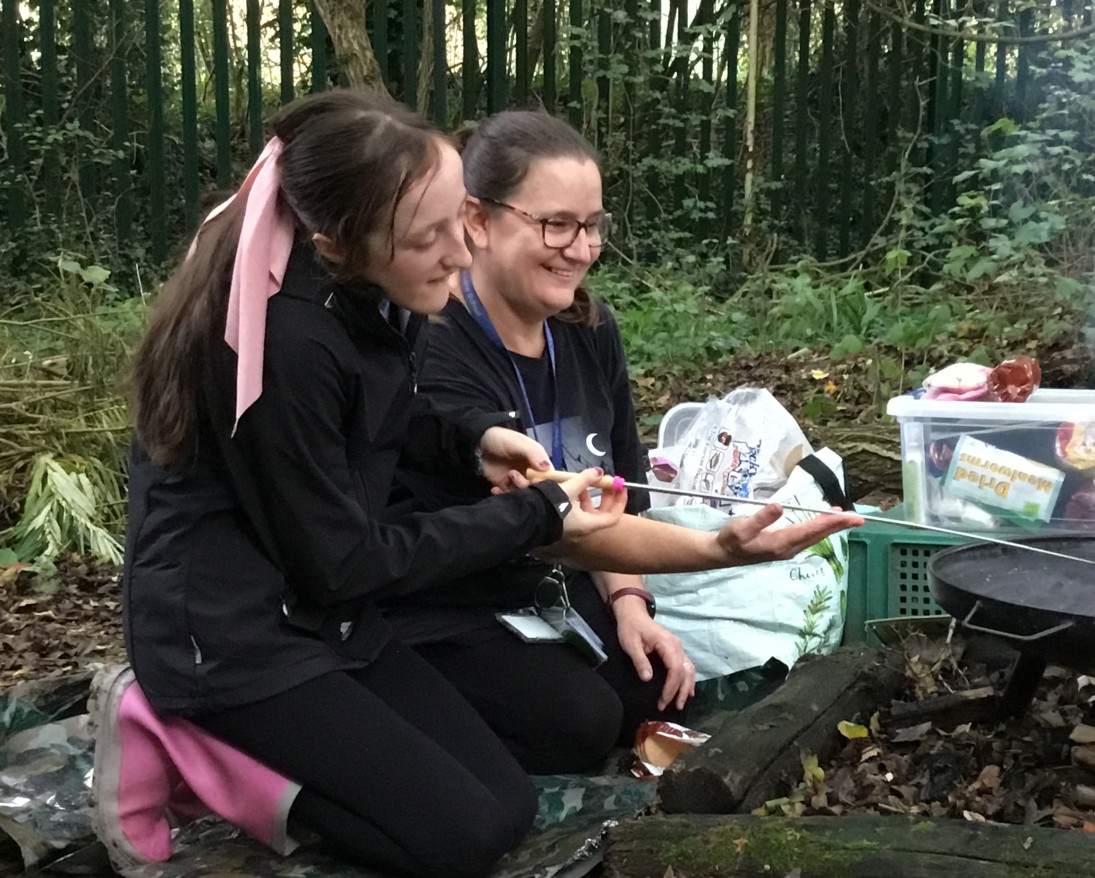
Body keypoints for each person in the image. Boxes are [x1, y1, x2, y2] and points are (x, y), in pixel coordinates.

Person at [99, 88, 859, 878]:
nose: (457, 257)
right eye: (433, 237)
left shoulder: (370, 294)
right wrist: (546, 512)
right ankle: (190, 748)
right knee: (456, 840)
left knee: (507, 806)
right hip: (239, 637)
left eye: (453, 222)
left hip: (332, 612)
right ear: (339, 240)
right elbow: (344, 560)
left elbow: (388, 420)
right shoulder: (289, 342)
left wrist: (473, 443)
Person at [385, 110, 700, 772]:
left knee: (661, 699)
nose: (580, 249)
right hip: (453, 596)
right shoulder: (436, 341)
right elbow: (537, 524)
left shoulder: (590, 328)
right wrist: (722, 550)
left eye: (592, 227)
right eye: (556, 224)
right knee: (579, 725)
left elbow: (617, 491)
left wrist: (630, 602)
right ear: (478, 220)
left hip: (550, 582)